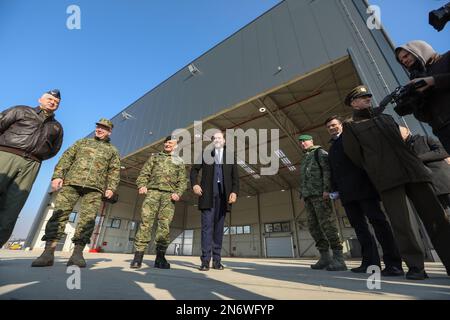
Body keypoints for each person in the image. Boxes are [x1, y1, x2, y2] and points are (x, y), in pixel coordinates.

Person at [342, 85, 450, 280]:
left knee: (437, 219)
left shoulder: (386, 118)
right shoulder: (350, 126)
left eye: (368, 96)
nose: (367, 98)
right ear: (353, 103)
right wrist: (378, 168)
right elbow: (356, 156)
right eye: (362, 97)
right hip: (388, 178)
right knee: (403, 224)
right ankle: (416, 266)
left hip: (415, 172)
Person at [32, 119, 120, 268]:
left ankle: (77, 254)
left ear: (109, 131)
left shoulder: (112, 150)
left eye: (103, 128)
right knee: (59, 214)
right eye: (98, 127)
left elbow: (114, 170)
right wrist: (58, 176)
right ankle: (48, 253)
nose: (99, 130)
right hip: (71, 183)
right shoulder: (82, 143)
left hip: (95, 188)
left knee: (88, 220)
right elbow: (66, 158)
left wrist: (111, 187)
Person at [326, 115, 403, 276]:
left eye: (334, 125)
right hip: (347, 193)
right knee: (360, 228)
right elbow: (334, 171)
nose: (332, 128)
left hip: (364, 187)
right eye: (329, 127)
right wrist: (335, 190)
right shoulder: (332, 148)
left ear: (341, 125)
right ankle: (369, 262)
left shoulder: (352, 138)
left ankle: (393, 263)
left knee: (378, 223)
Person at [0, 89, 63, 248]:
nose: (52, 102)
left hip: (32, 165)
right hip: (6, 155)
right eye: (49, 99)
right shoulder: (21, 110)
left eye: (56, 102)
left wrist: (36, 156)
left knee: (13, 208)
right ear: (40, 99)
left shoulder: (56, 127)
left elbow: (54, 150)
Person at [130, 136, 187, 269]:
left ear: (176, 146)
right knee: (146, 223)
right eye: (166, 142)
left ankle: (160, 258)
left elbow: (182, 181)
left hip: (169, 196)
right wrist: (142, 185)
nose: (167, 144)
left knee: (164, 226)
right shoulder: (154, 157)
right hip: (152, 193)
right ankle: (138, 257)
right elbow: (144, 174)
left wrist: (178, 193)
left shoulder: (179, 161)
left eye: (170, 143)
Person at [190, 131, 239, 271]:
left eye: (219, 138)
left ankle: (217, 261)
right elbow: (194, 170)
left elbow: (235, 177)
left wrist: (234, 192)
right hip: (208, 196)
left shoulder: (230, 156)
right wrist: (195, 184)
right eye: (214, 138)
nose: (217, 140)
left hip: (224, 197)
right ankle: (205, 260)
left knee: (218, 229)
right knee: (207, 228)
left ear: (224, 141)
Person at [298, 134, 347, 271]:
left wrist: (327, 189)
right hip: (308, 196)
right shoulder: (305, 157)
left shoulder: (319, 152)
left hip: (320, 195)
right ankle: (325, 257)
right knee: (314, 227)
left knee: (327, 225)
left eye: (305, 141)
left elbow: (327, 171)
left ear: (311, 140)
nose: (302, 143)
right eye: (300, 142)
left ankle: (339, 259)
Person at [395, 40, 450, 153]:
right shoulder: (416, 81)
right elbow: (426, 118)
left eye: (406, 56)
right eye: (401, 60)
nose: (404, 61)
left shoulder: (447, 59)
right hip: (443, 132)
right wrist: (416, 103)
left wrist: (432, 81)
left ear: (418, 50)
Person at [399, 126, 450, 215]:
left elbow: (443, 150)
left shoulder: (424, 139)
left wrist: (418, 158)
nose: (398, 133)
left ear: (407, 131)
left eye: (399, 131)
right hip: (429, 189)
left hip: (443, 182)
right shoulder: (402, 150)